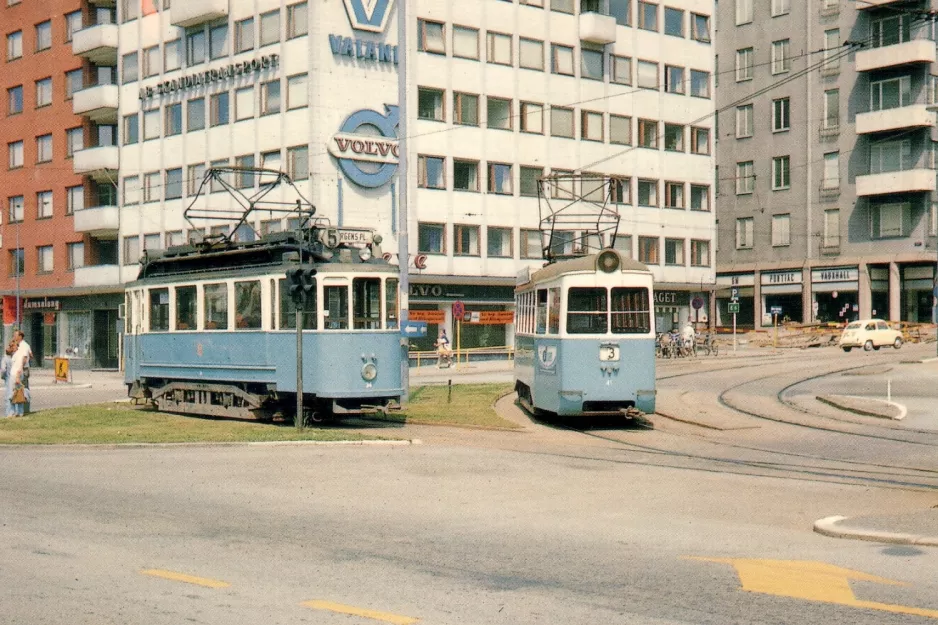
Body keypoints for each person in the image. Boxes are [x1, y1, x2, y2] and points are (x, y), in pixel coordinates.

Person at [13, 330, 31, 414]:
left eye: (15, 335)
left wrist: (21, 368)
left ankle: (24, 410)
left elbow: (24, 358)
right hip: (22, 368)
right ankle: (22, 410)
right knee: (20, 388)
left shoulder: (24, 345)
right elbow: (31, 354)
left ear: (20, 336)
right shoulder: (21, 345)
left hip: (23, 369)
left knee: (23, 389)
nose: (14, 337)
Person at [1, 342, 15, 417]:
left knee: (8, 396)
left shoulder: (5, 359)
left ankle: (9, 413)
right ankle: (12, 412)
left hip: (8, 378)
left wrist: (3, 376)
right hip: (14, 377)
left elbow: (3, 370)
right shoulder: (13, 358)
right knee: (13, 395)